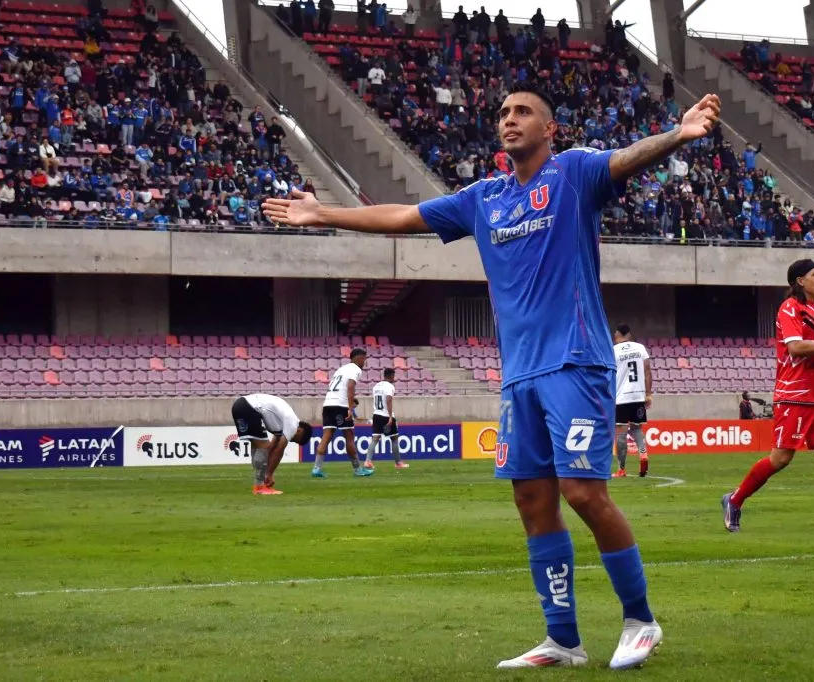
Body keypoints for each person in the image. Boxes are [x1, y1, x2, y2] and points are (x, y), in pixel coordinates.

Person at [264, 81, 723, 670]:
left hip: (577, 361)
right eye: (504, 112)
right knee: (533, 500)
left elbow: (623, 159)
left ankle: (640, 618)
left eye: (524, 111)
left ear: (549, 128)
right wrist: (322, 212)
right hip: (519, 375)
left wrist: (677, 136)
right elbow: (404, 214)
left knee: (584, 491)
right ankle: (563, 639)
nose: (510, 119)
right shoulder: (483, 198)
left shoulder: (574, 175)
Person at [721, 259, 814, 533]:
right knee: (781, 458)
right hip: (793, 395)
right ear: (800, 281)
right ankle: (734, 499)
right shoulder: (790, 308)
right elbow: (796, 348)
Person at [230, 393, 312, 495]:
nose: (291, 440)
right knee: (263, 446)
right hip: (250, 408)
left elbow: (273, 447)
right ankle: (259, 487)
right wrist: (269, 474)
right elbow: (279, 450)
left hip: (239, 405)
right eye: (295, 440)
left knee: (258, 446)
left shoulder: (283, 423)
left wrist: (267, 471)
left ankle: (259, 483)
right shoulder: (292, 424)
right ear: (300, 431)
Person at [313, 348, 374, 478]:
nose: (365, 362)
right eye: (364, 359)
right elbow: (350, 386)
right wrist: (350, 408)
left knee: (326, 436)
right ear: (358, 358)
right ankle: (358, 469)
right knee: (349, 437)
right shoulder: (355, 369)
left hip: (328, 404)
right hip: (340, 405)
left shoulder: (341, 369)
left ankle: (316, 469)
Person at [612, 324, 651, 478]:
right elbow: (647, 369)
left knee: (621, 433)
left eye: (615, 333)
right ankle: (643, 454)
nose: (614, 335)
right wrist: (648, 393)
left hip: (621, 397)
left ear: (620, 334)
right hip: (638, 395)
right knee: (636, 429)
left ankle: (621, 469)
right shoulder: (640, 348)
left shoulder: (613, 350)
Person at [366, 368, 409, 469]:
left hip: (376, 414)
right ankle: (398, 463)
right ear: (390, 376)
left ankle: (368, 461)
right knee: (394, 438)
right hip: (386, 415)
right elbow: (388, 400)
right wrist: (390, 416)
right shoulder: (389, 386)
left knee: (375, 438)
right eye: (393, 376)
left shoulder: (376, 386)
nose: (394, 378)